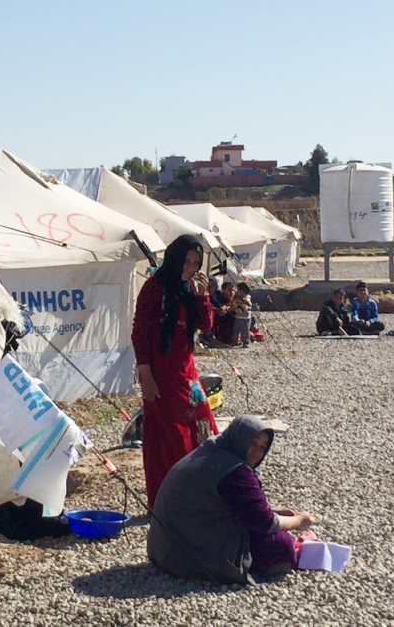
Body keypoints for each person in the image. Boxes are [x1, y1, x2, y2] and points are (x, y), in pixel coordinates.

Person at [147, 414, 315, 584]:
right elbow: (264, 522)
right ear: (241, 438)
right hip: (186, 556)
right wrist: (298, 521)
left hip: (162, 549)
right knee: (281, 544)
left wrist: (272, 510)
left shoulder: (213, 448)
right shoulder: (233, 470)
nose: (256, 452)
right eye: (253, 443)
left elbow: (229, 501)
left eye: (262, 447)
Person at [132, 234, 218, 508]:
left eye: (196, 263)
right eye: (186, 261)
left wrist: (204, 297)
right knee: (166, 438)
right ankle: (166, 502)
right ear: (174, 258)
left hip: (186, 372)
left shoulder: (190, 288)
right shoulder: (154, 287)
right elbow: (140, 333)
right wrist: (146, 375)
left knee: (201, 429)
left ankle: (198, 494)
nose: (190, 268)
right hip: (160, 374)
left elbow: (205, 326)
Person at [231, 282, 253, 347]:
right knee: (236, 329)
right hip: (238, 316)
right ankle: (235, 340)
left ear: (242, 291)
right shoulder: (237, 298)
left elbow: (248, 305)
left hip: (245, 318)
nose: (237, 291)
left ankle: (245, 342)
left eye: (238, 290)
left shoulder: (247, 297)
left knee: (245, 331)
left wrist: (242, 302)